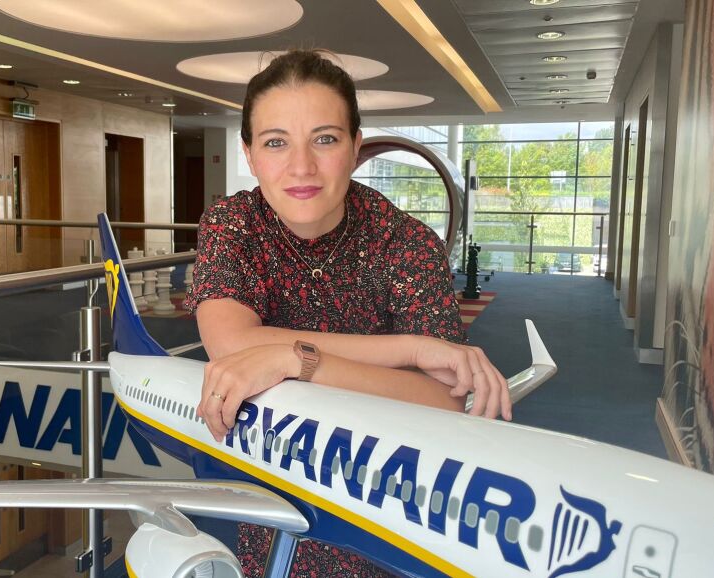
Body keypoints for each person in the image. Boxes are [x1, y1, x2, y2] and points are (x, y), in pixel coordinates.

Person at [183, 50, 509, 578]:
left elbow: (444, 401)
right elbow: (232, 345)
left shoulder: (404, 243)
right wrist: (409, 350)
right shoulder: (233, 224)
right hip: (276, 496)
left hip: (388, 504)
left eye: (325, 139)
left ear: (356, 147)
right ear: (249, 153)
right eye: (276, 142)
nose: (301, 167)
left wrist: (295, 361)